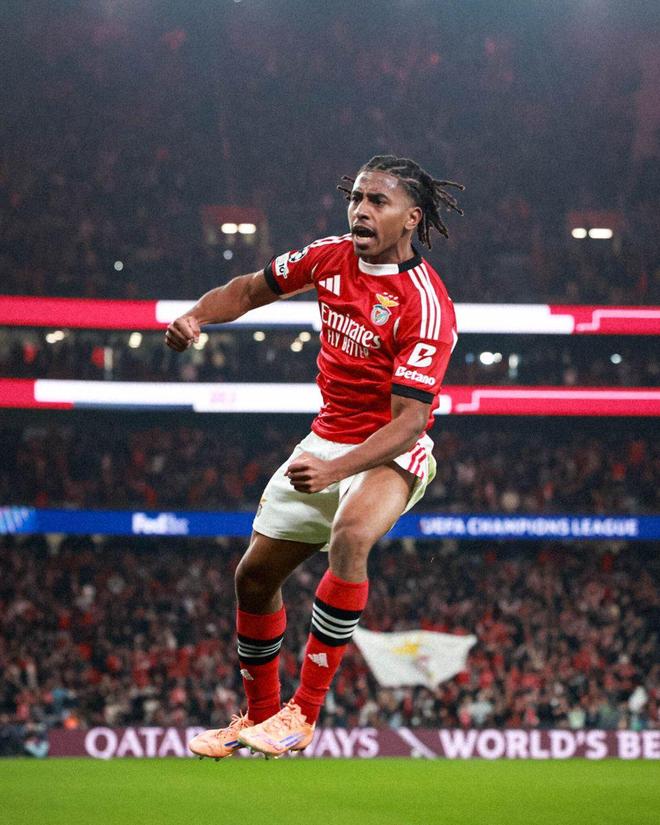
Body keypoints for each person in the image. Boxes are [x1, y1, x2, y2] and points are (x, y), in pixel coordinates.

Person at [165, 155, 463, 758]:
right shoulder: (329, 257)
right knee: (253, 578)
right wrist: (197, 314)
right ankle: (260, 720)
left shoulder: (425, 305)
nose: (360, 210)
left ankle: (302, 712)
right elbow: (249, 290)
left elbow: (409, 422)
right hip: (326, 438)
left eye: (377, 201)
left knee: (351, 535)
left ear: (412, 218)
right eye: (356, 198)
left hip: (389, 449)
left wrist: (335, 470)